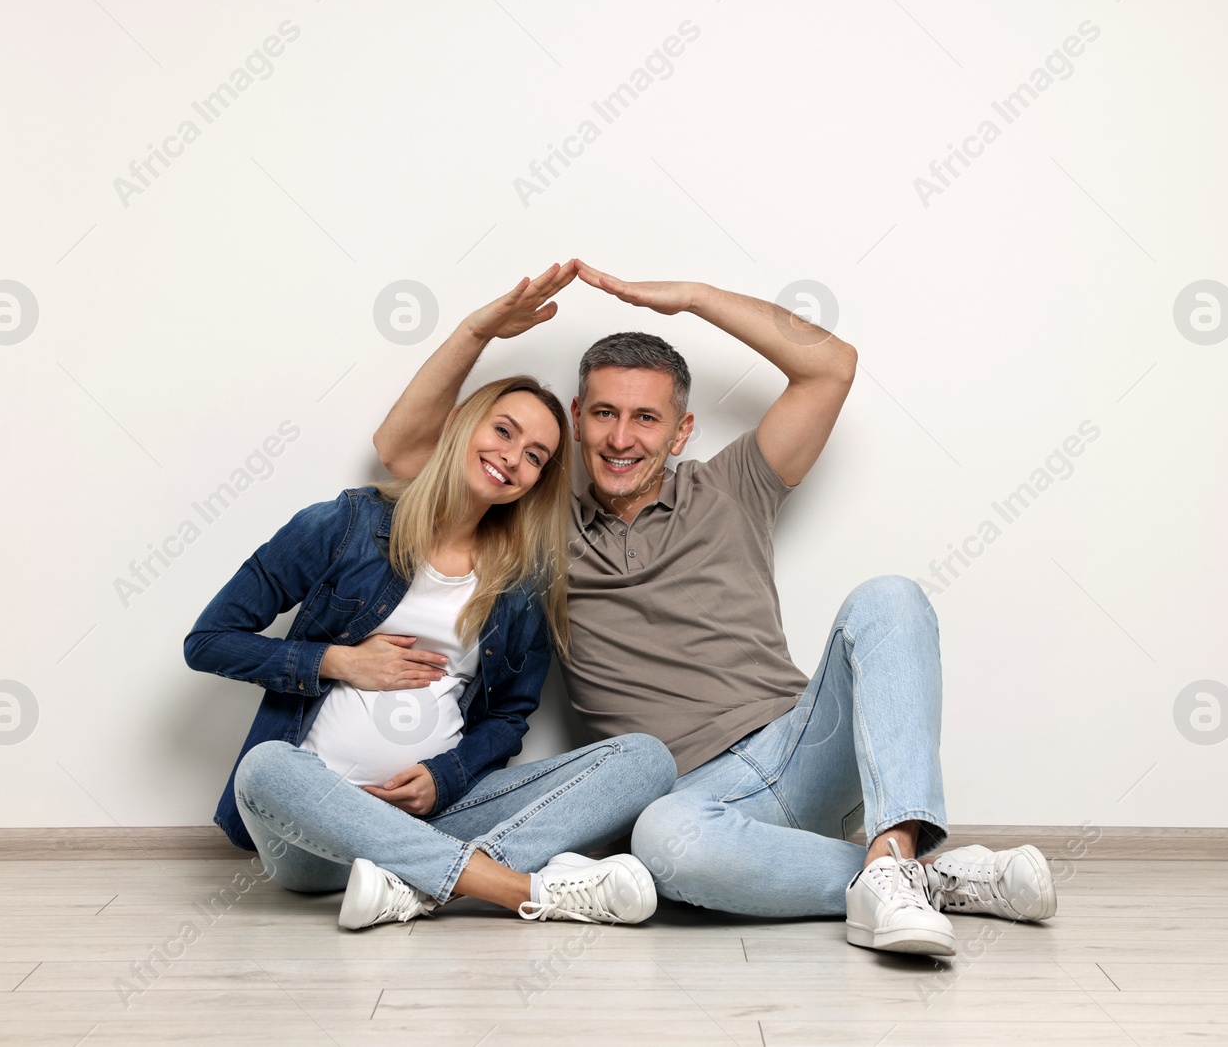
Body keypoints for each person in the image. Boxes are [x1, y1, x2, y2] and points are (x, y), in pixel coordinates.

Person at [372, 260, 1058, 956]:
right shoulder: (539, 531)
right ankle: (918, 879)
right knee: (661, 841)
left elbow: (833, 367)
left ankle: (895, 847)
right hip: (692, 799)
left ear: (681, 430)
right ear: (577, 420)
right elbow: (400, 452)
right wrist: (476, 330)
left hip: (802, 748)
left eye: (646, 417)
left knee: (891, 598)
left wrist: (694, 299)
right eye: (604, 413)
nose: (620, 437)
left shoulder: (732, 483)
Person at [183, 374, 676, 930]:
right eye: (504, 431)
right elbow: (208, 642)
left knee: (645, 759)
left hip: (438, 817)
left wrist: (446, 775)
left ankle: (412, 888)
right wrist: (338, 661)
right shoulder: (346, 524)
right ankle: (519, 889)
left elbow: (509, 717)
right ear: (464, 422)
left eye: (535, 456)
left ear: (537, 480)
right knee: (265, 766)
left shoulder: (521, 582)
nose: (512, 458)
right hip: (313, 836)